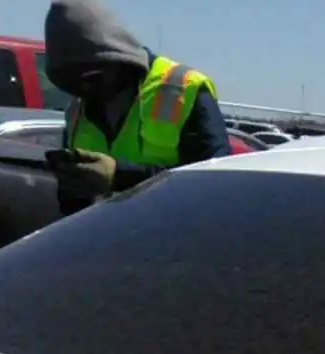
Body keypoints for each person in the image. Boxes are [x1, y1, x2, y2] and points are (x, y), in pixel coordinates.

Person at [43, 0, 232, 213]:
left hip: (172, 234)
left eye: (93, 76)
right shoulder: (78, 111)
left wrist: (120, 176)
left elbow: (213, 181)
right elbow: (72, 207)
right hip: (107, 238)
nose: (85, 87)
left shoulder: (182, 88)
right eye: (72, 81)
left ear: (118, 56)